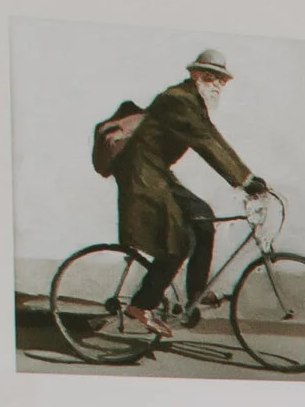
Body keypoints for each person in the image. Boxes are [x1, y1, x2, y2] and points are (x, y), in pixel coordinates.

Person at [113, 51, 270, 331]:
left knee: (203, 218)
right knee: (178, 240)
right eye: (210, 77)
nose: (217, 84)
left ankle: (195, 295)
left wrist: (248, 176)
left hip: (156, 172)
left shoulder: (193, 103)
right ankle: (142, 304)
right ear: (195, 75)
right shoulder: (178, 100)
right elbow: (205, 143)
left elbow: (214, 138)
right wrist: (244, 181)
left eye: (221, 80)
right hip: (142, 174)